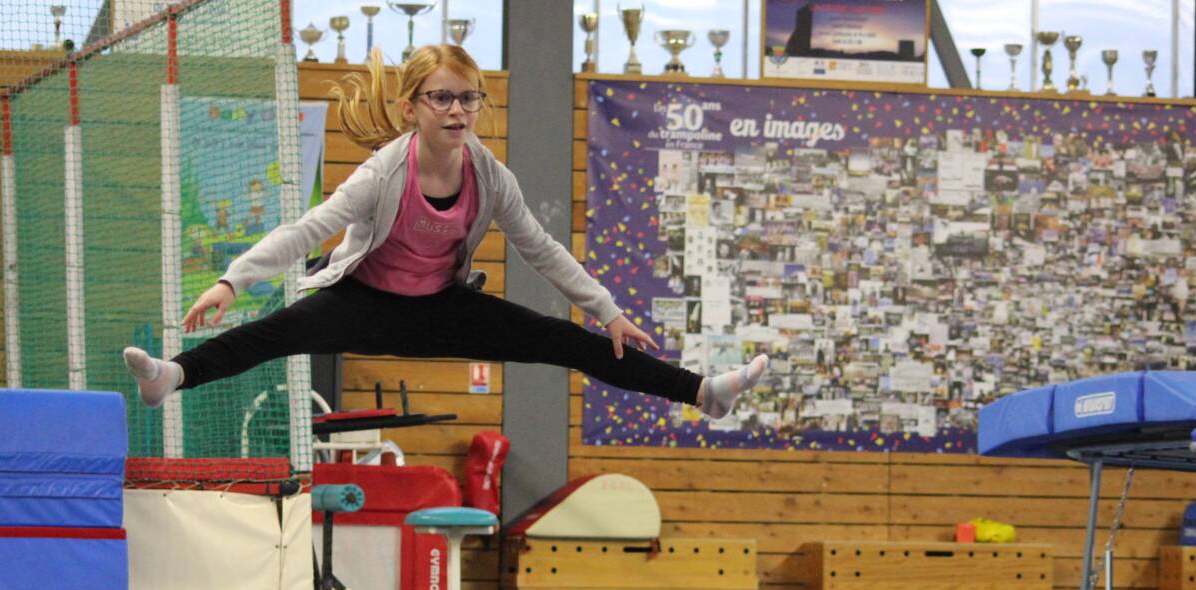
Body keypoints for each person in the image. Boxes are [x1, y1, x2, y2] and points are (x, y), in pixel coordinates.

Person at [123, 44, 766, 419]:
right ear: (412, 108)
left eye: (469, 98)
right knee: (269, 334)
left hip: (441, 307)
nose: (458, 110)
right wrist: (233, 281)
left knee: (574, 342)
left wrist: (610, 311)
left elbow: (541, 249)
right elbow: (309, 228)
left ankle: (702, 392)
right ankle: (169, 378)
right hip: (364, 303)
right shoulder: (383, 174)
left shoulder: (489, 177)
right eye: (442, 98)